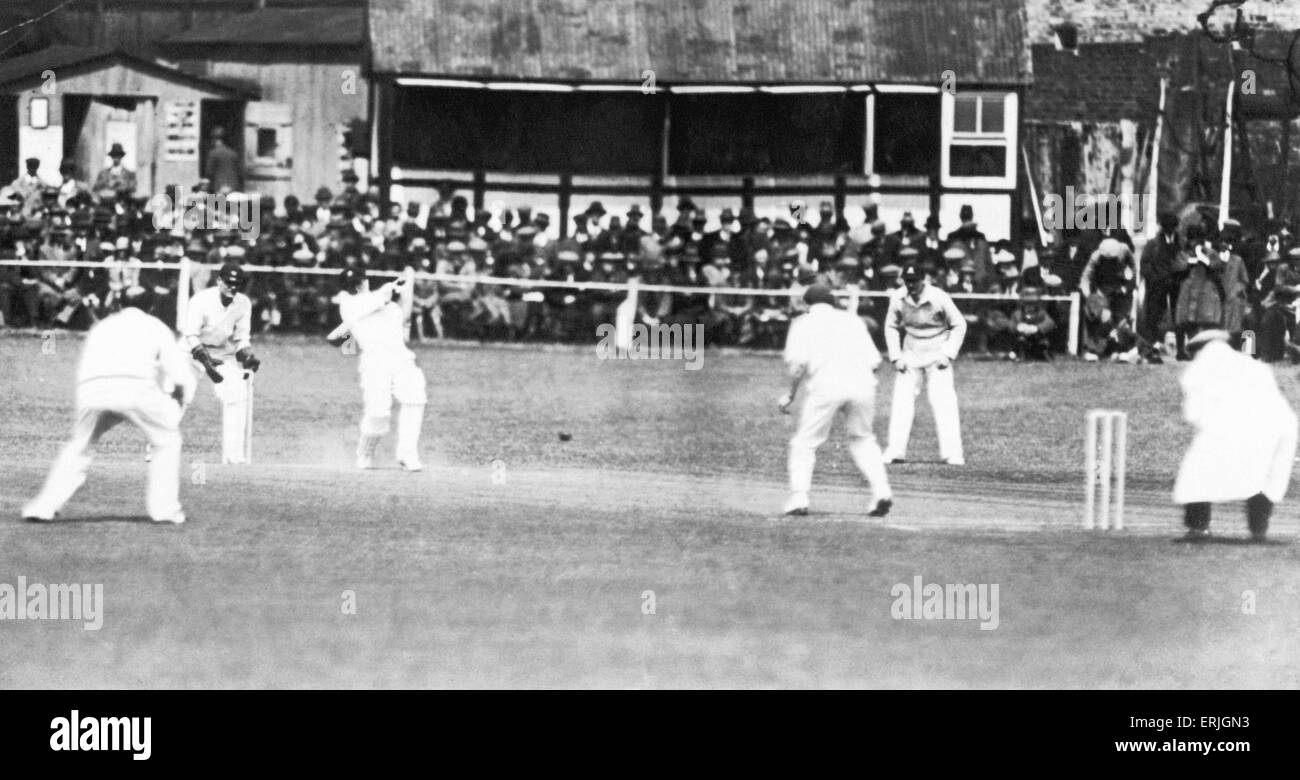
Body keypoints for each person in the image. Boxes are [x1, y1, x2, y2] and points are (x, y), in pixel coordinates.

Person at [22, 287, 196, 523]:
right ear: (151, 307)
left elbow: (86, 367)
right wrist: (178, 399)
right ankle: (165, 510)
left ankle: (42, 508)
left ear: (119, 304)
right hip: (136, 389)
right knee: (167, 440)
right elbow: (179, 372)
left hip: (91, 391)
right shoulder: (155, 326)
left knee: (79, 446)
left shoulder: (101, 327)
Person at [778, 283, 893, 517]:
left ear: (808, 305)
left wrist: (790, 394)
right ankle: (882, 492)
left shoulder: (802, 323)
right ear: (832, 303)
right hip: (862, 385)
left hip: (826, 386)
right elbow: (877, 362)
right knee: (863, 439)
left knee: (804, 443)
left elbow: (798, 366)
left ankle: (799, 498)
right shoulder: (853, 321)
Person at [1174, 329, 1298, 542]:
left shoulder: (1203, 365)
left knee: (1198, 472)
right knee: (1262, 479)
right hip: (1278, 427)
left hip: (1239, 426)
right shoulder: (1255, 366)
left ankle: (1198, 527)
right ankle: (1258, 531)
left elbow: (1195, 412)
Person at [327, 267, 427, 471]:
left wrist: (407, 288)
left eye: (358, 280)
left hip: (400, 358)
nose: (357, 285)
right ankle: (365, 453)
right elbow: (373, 301)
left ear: (363, 281)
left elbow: (404, 315)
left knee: (415, 399)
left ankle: (408, 454)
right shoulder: (348, 304)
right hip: (374, 362)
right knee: (378, 413)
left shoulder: (386, 304)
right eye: (353, 283)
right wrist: (389, 289)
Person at [882, 264, 967, 465]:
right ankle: (895, 451)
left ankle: (953, 453)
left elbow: (959, 324)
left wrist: (948, 354)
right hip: (910, 350)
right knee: (901, 401)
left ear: (924, 280)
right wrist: (896, 356)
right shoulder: (898, 297)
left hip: (937, 349)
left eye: (915, 281)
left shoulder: (939, 297)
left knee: (943, 402)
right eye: (907, 280)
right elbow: (891, 326)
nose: (911, 285)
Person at [183, 262, 262, 464]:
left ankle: (233, 456)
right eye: (228, 283)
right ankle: (156, 447)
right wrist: (206, 362)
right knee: (182, 396)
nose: (232, 287)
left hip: (222, 352)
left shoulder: (243, 303)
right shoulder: (201, 300)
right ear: (219, 281)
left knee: (237, 395)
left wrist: (247, 355)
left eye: (237, 284)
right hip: (190, 351)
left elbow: (241, 338)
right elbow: (190, 334)